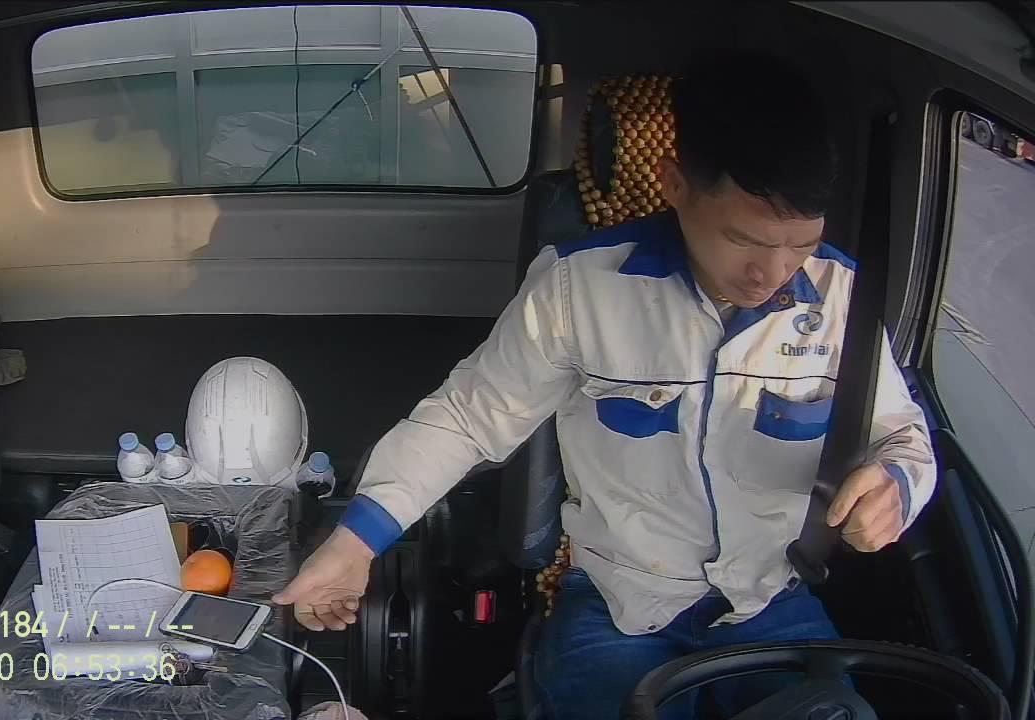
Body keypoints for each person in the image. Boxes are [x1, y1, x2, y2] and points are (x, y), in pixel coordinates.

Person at [273, 49, 935, 719]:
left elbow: (901, 433)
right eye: (744, 240)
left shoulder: (842, 298)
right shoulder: (577, 291)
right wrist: (356, 542)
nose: (774, 274)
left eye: (800, 245)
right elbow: (466, 420)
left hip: (772, 605)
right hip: (621, 610)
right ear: (674, 184)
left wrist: (896, 485)